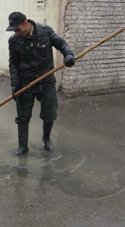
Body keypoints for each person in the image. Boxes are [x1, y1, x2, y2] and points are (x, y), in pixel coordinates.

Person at [6, 12, 75, 156]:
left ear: (26, 23)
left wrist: (68, 54)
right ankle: (23, 146)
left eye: (17, 29)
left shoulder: (45, 32)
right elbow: (13, 64)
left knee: (50, 114)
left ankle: (47, 139)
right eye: (14, 30)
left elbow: (61, 44)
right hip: (26, 82)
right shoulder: (14, 41)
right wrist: (15, 84)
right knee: (23, 116)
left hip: (46, 80)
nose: (16, 33)